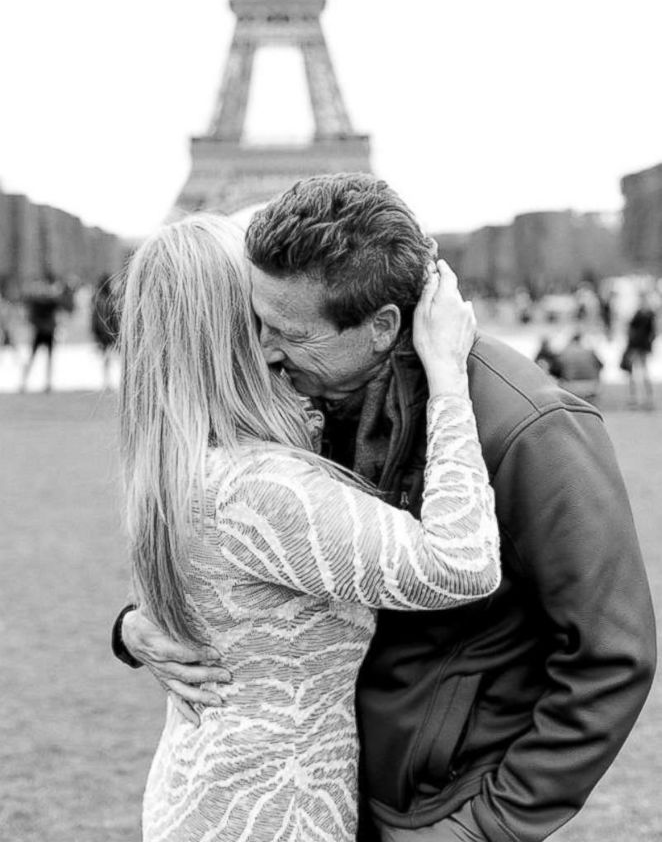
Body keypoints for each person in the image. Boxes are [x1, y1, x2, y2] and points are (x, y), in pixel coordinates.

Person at [114, 175, 656, 842]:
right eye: (256, 325)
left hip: (435, 809)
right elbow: (238, 551)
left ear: (381, 327)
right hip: (321, 794)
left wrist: (490, 824)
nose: (266, 351)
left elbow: (610, 653)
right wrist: (138, 623)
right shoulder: (309, 398)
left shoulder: (529, 428)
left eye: (284, 331)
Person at [119, 213, 500, 842]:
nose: (276, 332)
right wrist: (449, 382)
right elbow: (463, 565)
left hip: (212, 792)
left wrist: (130, 625)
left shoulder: (178, 455)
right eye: (262, 313)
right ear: (233, 331)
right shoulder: (261, 486)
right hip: (270, 814)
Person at [20, 274, 65, 392]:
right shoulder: (43, 301)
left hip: (45, 331)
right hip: (43, 331)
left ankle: (44, 383)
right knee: (37, 358)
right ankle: (27, 382)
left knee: (43, 359)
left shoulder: (44, 301)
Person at [624, 292, 657, 410]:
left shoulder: (639, 314)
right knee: (642, 371)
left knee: (634, 372)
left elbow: (631, 330)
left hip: (636, 346)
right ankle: (647, 398)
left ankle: (635, 397)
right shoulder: (650, 314)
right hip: (643, 346)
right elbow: (653, 333)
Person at [554, 330, 604, 402]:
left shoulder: (564, 353)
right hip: (591, 385)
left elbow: (555, 371)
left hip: (570, 386)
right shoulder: (589, 351)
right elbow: (601, 366)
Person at [91, 273, 120, 388]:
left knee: (109, 358)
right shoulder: (103, 300)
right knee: (109, 358)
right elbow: (99, 319)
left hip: (108, 333)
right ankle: (107, 381)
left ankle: (108, 380)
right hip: (107, 334)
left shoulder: (106, 299)